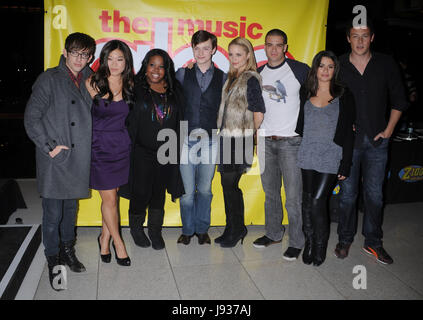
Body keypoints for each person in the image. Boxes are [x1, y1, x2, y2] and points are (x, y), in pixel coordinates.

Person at [24, 32, 96, 290]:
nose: (80, 59)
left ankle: (68, 250)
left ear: (90, 57)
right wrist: (50, 148)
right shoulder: (49, 78)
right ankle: (53, 259)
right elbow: (31, 118)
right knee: (53, 213)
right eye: (75, 53)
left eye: (85, 54)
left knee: (71, 211)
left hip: (78, 158)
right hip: (56, 157)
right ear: (65, 52)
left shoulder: (90, 78)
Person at [334, 19, 407, 265]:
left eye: (365, 36)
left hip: (378, 141)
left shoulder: (386, 63)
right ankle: (344, 238)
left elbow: (399, 99)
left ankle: (373, 242)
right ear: (348, 38)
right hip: (349, 143)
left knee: (375, 195)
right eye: (355, 36)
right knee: (347, 195)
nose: (360, 41)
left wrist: (388, 130)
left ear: (372, 38)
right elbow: (330, 100)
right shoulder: (339, 65)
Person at [295, 50, 355, 266]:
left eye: (330, 66)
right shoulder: (305, 91)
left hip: (331, 155)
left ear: (335, 70)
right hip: (307, 152)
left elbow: (349, 132)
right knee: (307, 200)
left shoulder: (343, 95)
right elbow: (300, 124)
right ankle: (309, 242)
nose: (326, 70)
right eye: (322, 66)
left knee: (319, 201)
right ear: (315, 68)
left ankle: (320, 245)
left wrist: (346, 163)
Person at [254, 29, 309, 261]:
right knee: (270, 193)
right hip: (265, 141)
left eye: (278, 45)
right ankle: (274, 233)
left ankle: (297, 241)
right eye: (270, 44)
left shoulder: (300, 70)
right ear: (265, 47)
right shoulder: (257, 73)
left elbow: (319, 94)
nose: (274, 49)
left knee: (294, 197)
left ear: (285, 47)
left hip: (291, 142)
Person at [120, 49, 184, 250]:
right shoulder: (134, 88)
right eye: (152, 65)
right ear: (145, 66)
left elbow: (181, 119)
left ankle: (155, 231)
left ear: (167, 69)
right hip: (141, 151)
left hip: (167, 150)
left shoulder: (175, 89)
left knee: (158, 193)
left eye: (161, 66)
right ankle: (136, 229)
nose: (156, 70)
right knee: (140, 192)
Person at [175, 30, 226, 245]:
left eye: (206, 48)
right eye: (197, 48)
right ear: (192, 49)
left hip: (211, 140)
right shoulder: (180, 74)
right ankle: (187, 230)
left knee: (205, 190)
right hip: (185, 140)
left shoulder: (224, 77)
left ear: (214, 49)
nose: (202, 52)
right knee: (186, 192)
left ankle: (202, 229)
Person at [86, 40, 133, 266]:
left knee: (112, 198)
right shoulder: (92, 82)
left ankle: (104, 238)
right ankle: (119, 243)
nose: (114, 64)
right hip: (99, 147)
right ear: (103, 59)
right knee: (111, 199)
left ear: (126, 62)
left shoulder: (131, 83)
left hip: (121, 147)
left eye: (120, 59)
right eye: (110, 58)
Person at [215, 37, 265, 248]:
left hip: (239, 140)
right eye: (231, 54)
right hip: (226, 138)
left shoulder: (250, 78)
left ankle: (237, 229)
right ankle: (232, 227)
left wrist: (251, 137)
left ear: (247, 56)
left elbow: (259, 111)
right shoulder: (231, 77)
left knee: (230, 185)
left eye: (238, 54)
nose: (234, 58)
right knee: (227, 186)